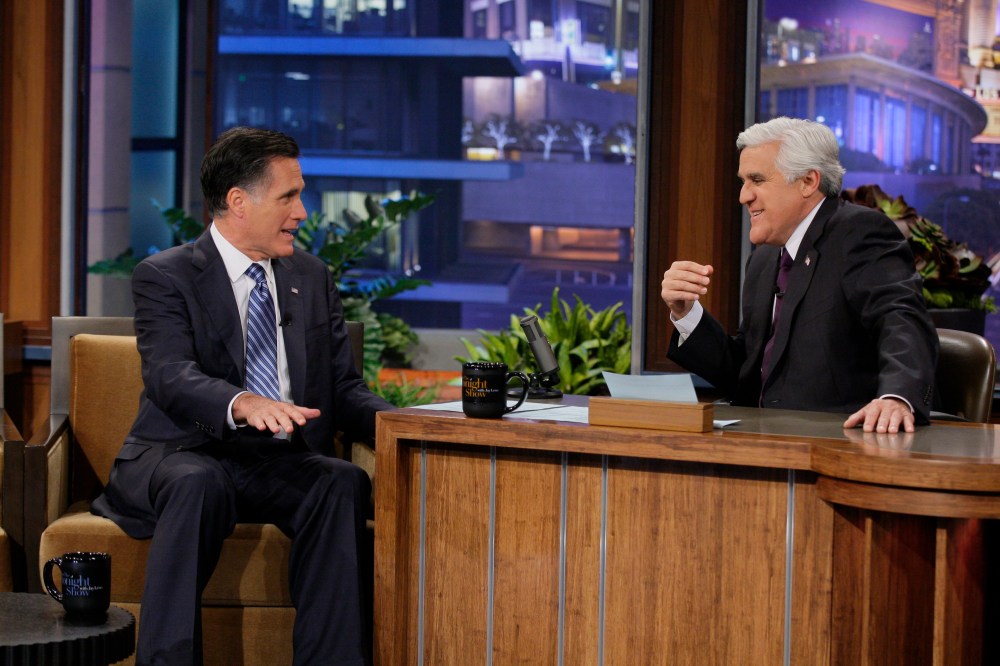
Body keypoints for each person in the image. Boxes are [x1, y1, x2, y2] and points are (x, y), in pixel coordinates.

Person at [91, 126, 393, 665]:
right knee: (198, 482)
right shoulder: (166, 275)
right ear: (238, 201)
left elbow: (344, 389)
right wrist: (244, 403)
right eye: (288, 197)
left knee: (341, 481)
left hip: (273, 461)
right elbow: (169, 374)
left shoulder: (310, 276)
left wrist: (409, 427)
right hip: (181, 452)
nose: (302, 212)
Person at [660, 117, 938, 434]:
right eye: (743, 182)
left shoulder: (859, 233)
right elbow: (746, 372)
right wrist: (686, 313)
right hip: (763, 440)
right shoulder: (764, 259)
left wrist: (896, 397)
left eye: (757, 180)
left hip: (839, 441)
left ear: (807, 181)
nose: (743, 196)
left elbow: (901, 319)